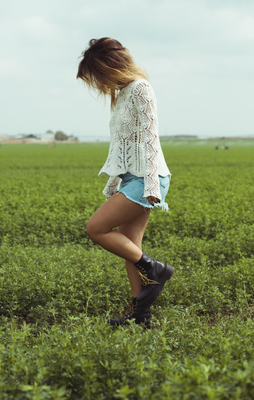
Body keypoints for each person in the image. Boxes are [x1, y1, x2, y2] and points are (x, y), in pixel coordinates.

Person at [77, 37, 173, 328]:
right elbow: (123, 145)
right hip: (133, 177)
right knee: (130, 245)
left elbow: (150, 139)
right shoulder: (121, 93)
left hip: (148, 177)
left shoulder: (141, 88)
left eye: (97, 75)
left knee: (95, 228)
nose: (97, 83)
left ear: (109, 66)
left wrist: (152, 187)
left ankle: (155, 270)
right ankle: (141, 316)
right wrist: (118, 181)